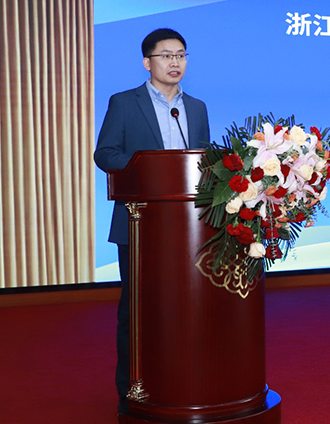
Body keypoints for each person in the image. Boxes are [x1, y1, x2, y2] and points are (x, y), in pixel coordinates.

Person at [93, 28, 210, 414]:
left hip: (189, 228)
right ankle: (132, 389)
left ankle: (181, 380)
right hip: (139, 223)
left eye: (181, 55)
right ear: (147, 62)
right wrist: (147, 169)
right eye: (166, 55)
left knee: (186, 307)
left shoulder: (196, 108)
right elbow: (105, 153)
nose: (175, 62)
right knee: (138, 311)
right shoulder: (124, 103)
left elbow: (203, 162)